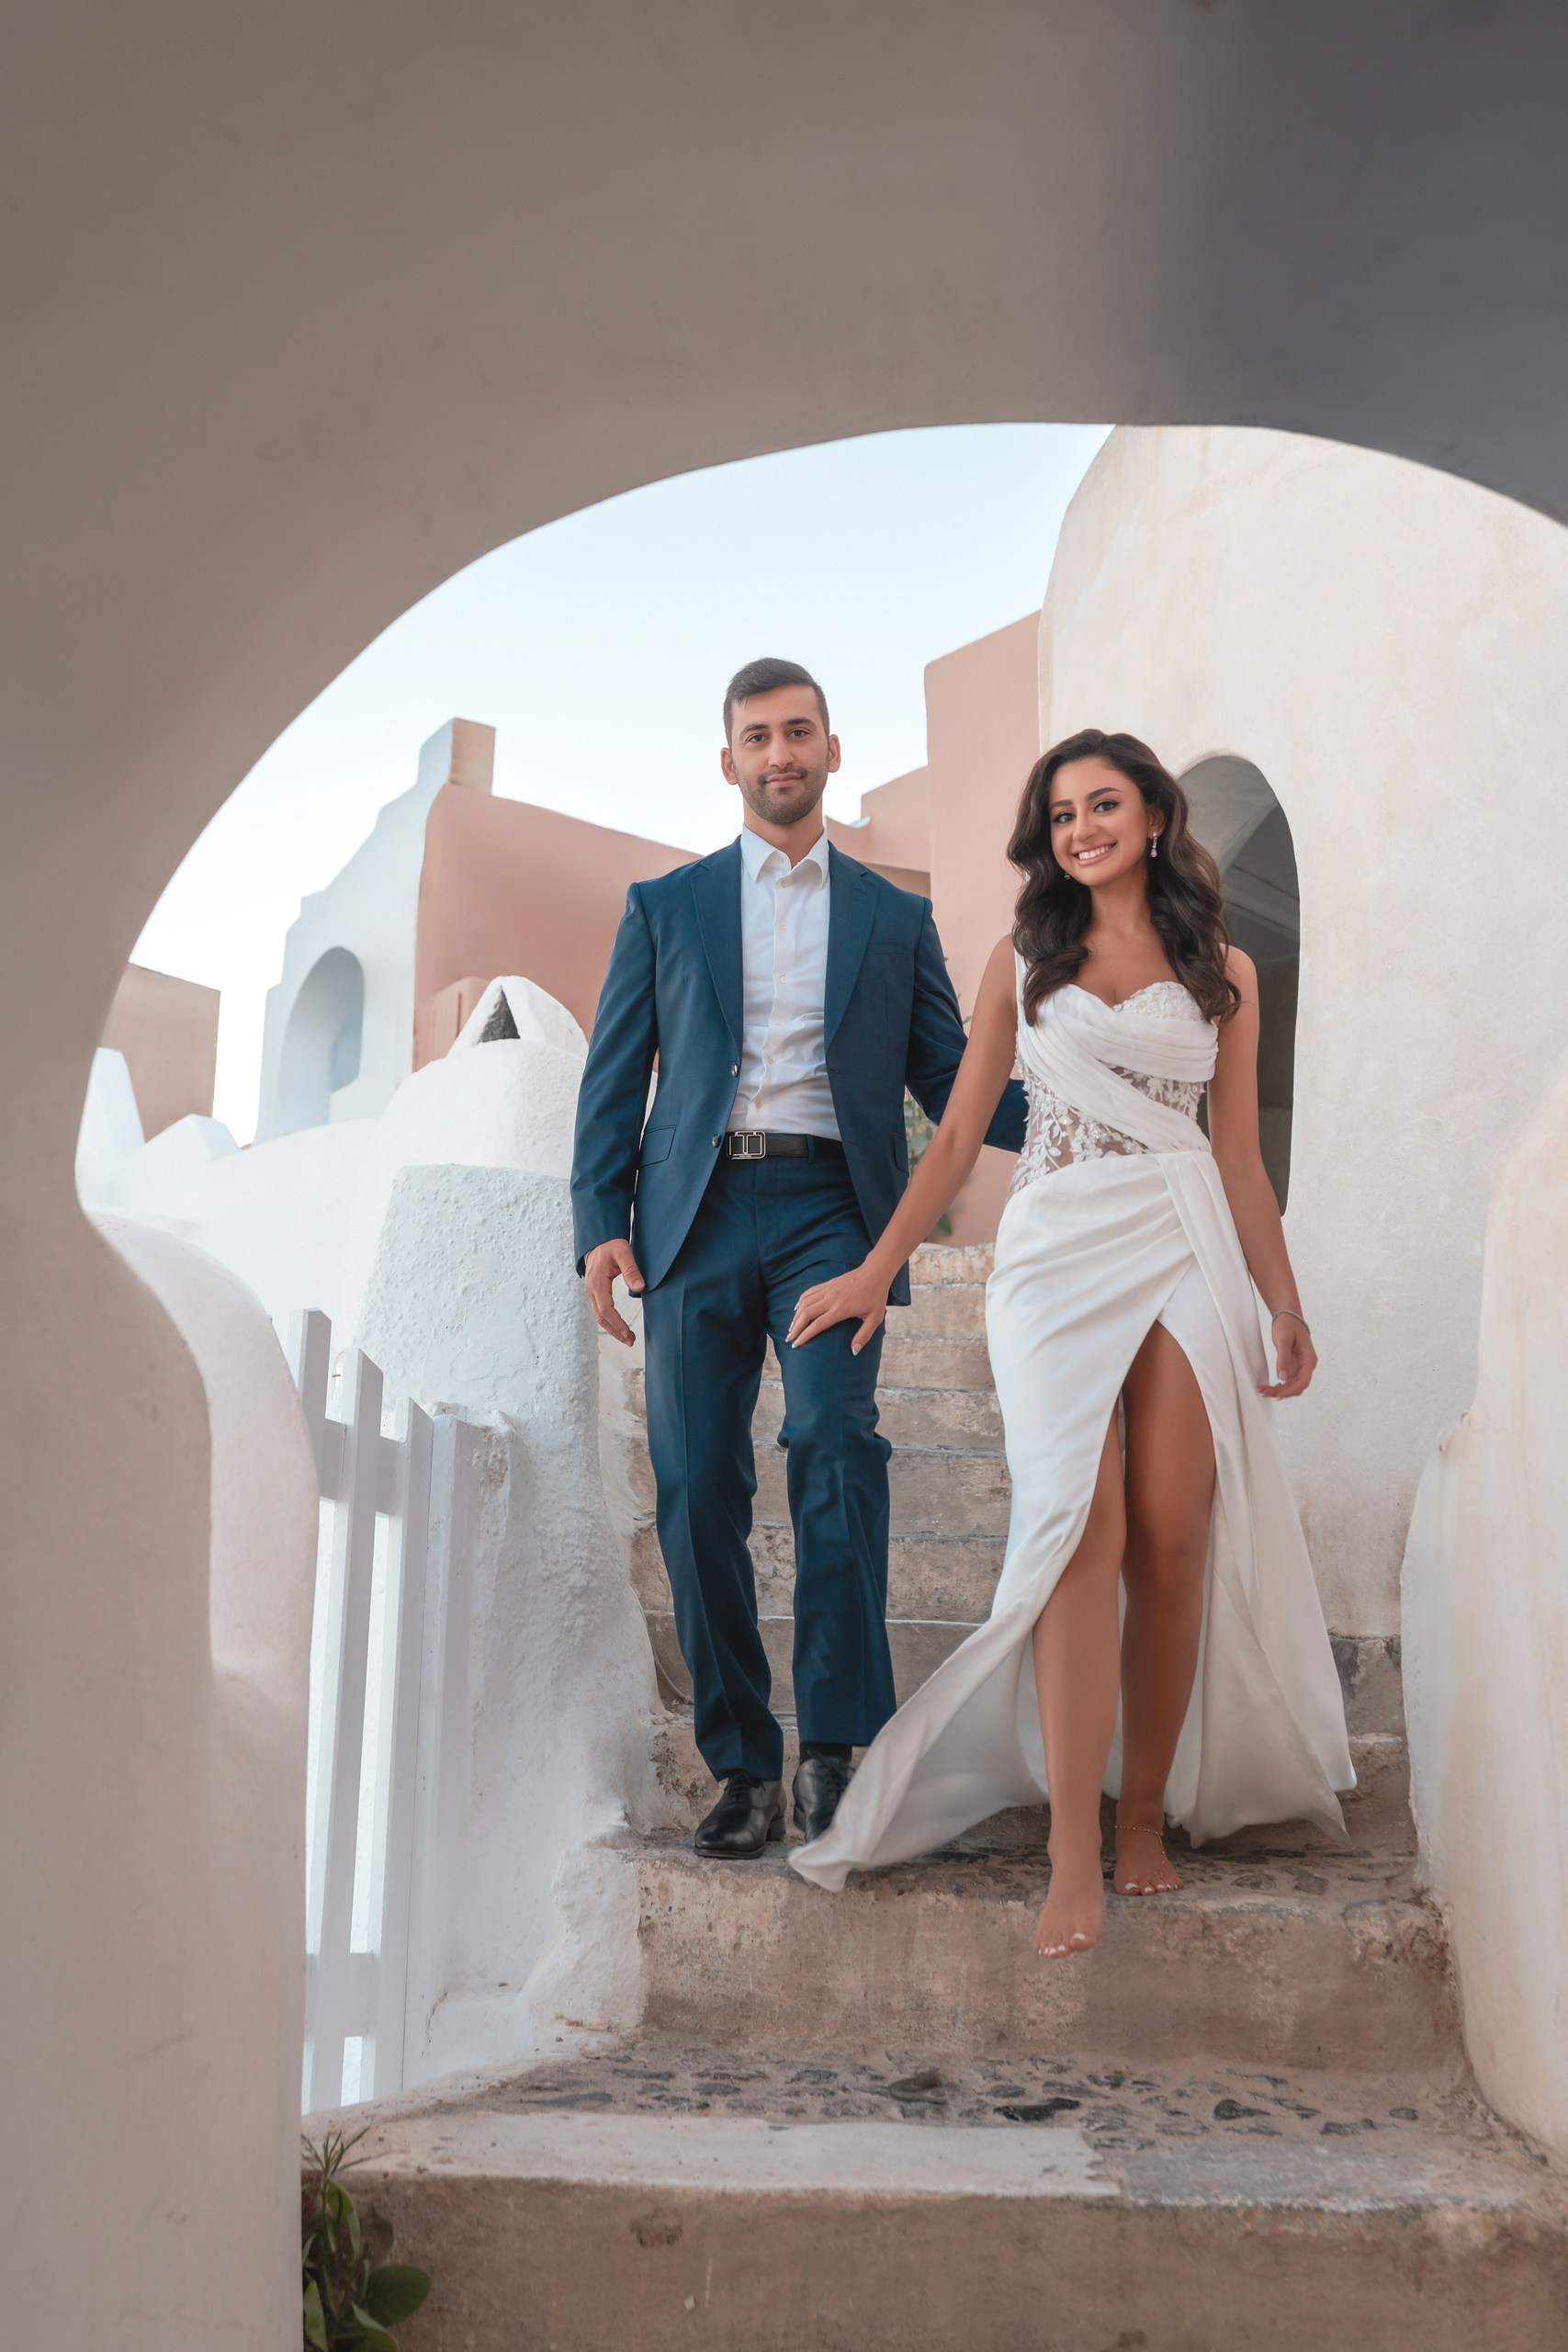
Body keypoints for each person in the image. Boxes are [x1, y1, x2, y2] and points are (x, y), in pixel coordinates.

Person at [786, 728, 1353, 1955]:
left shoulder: (1229, 974)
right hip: (1050, 1260)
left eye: (1103, 805)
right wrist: (878, 1270)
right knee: (1076, 1527)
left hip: (1181, 1234)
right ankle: (1070, 1852)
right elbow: (952, 1141)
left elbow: (1242, 1162)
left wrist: (1284, 1299)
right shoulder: (1017, 960)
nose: (1080, 828)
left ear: (1154, 816)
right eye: (1060, 815)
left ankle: (1143, 1815)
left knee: (1172, 1532)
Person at [570, 658, 1027, 1859]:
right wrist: (596, 1221)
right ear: (730, 761)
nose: (781, 753)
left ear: (832, 750)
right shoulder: (663, 909)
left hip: (836, 1209)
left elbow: (957, 1085)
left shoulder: (892, 918)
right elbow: (616, 1079)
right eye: (758, 736)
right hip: (695, 1213)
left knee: (834, 1440)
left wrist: (1093, 1102)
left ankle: (834, 1746)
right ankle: (742, 1764)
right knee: (693, 1480)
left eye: (800, 732)